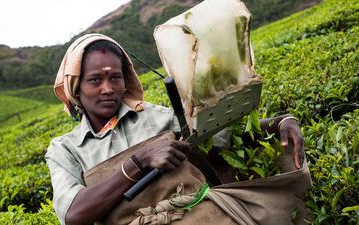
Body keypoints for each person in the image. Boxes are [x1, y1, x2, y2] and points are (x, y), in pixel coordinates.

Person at [45, 33, 304, 225]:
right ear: (75, 88)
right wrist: (140, 161)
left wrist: (280, 122)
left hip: (206, 218)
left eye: (115, 77)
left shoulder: (157, 118)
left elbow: (220, 137)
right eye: (94, 80)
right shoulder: (65, 148)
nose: (108, 88)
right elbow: (74, 214)